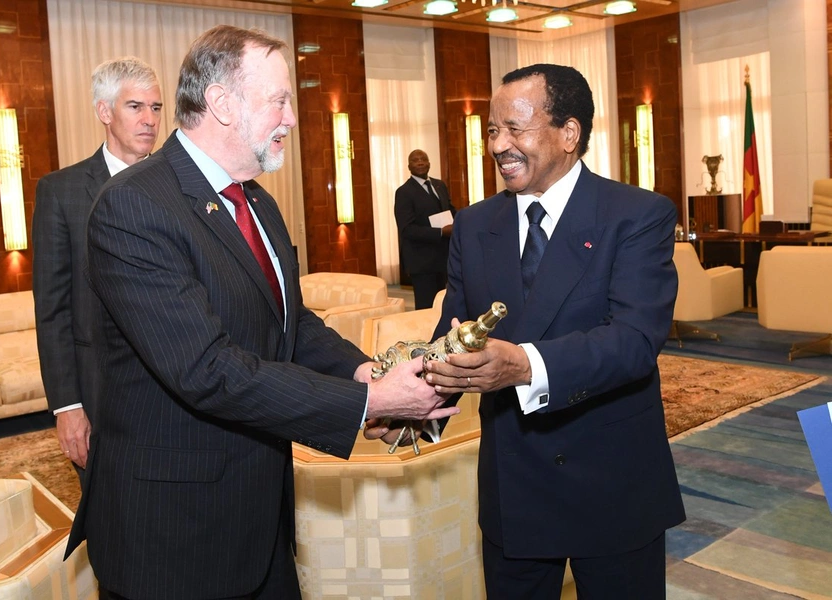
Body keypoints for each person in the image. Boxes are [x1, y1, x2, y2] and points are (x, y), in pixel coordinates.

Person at [64, 26, 456, 600]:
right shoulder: (134, 207)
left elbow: (290, 323)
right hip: (174, 536)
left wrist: (364, 373)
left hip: (260, 519)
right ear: (221, 104)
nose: (291, 118)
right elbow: (207, 371)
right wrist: (370, 403)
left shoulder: (259, 203)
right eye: (279, 100)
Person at [370, 64, 686, 598]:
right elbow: (458, 334)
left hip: (612, 483)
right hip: (513, 487)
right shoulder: (473, 225)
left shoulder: (636, 214)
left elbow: (633, 341)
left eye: (516, 129)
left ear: (569, 133)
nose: (498, 145)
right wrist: (412, 408)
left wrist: (523, 365)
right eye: (493, 130)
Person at [32, 57, 163, 472]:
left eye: (156, 108)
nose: (149, 120)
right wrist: (67, 406)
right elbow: (53, 311)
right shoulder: (61, 191)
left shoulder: (180, 186)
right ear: (104, 112)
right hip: (99, 394)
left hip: (175, 394)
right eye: (135, 107)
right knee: (109, 525)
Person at [394, 149, 456, 309]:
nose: (420, 162)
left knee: (445, 305)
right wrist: (441, 232)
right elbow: (407, 229)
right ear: (409, 166)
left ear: (429, 163)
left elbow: (450, 210)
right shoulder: (404, 192)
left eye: (424, 159)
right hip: (421, 261)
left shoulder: (439, 185)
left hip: (444, 257)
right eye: (415, 160)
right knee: (426, 307)